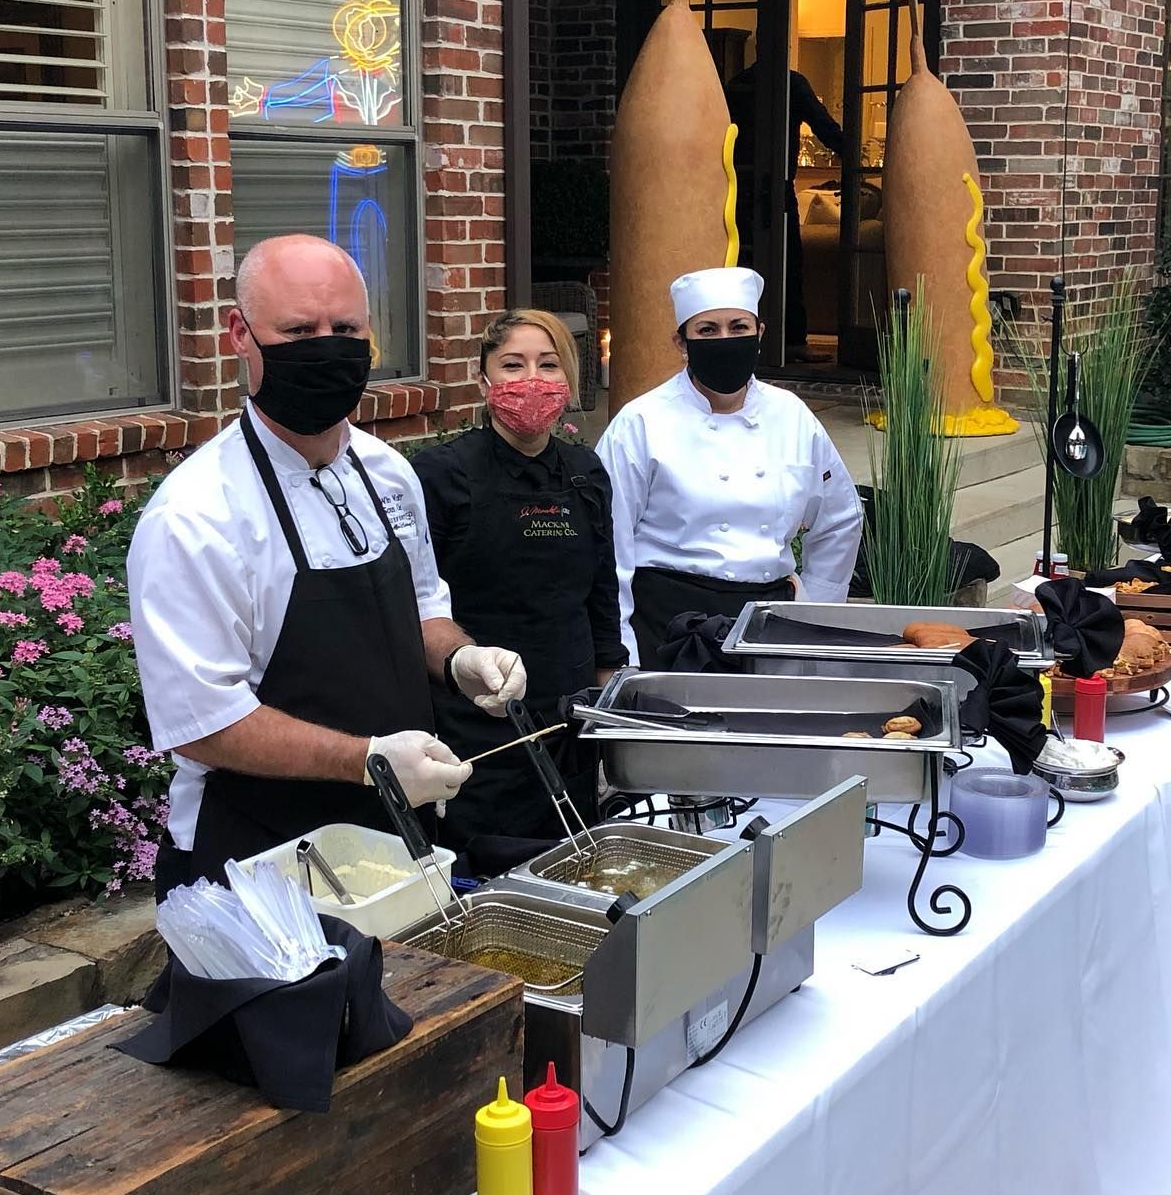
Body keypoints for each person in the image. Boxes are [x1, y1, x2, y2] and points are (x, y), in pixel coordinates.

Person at [128, 234, 526, 897]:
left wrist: (462, 661)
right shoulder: (196, 517)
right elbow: (204, 725)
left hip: (398, 835)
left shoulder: (388, 475)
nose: (325, 345)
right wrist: (368, 760)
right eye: (298, 329)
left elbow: (423, 606)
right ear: (240, 334)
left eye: (345, 329)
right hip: (257, 858)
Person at [412, 311, 628, 868]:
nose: (531, 379)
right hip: (478, 726)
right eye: (513, 365)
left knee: (572, 871)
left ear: (568, 381)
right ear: (484, 384)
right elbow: (416, 605)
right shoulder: (442, 474)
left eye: (547, 364)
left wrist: (609, 704)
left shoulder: (584, 472)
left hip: (570, 717)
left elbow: (601, 593)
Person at [595, 266, 863, 671]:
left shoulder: (791, 415)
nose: (725, 340)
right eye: (707, 330)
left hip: (769, 625)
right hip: (671, 629)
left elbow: (840, 518)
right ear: (680, 342)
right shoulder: (641, 423)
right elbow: (608, 546)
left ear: (759, 333)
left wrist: (814, 614)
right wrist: (620, 654)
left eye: (738, 326)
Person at [725, 61, 847, 363]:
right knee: (790, 265)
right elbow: (826, 128)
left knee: (740, 266)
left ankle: (741, 337)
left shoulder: (736, 86)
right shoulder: (793, 83)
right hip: (776, 190)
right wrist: (854, 152)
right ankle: (791, 340)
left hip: (734, 188)